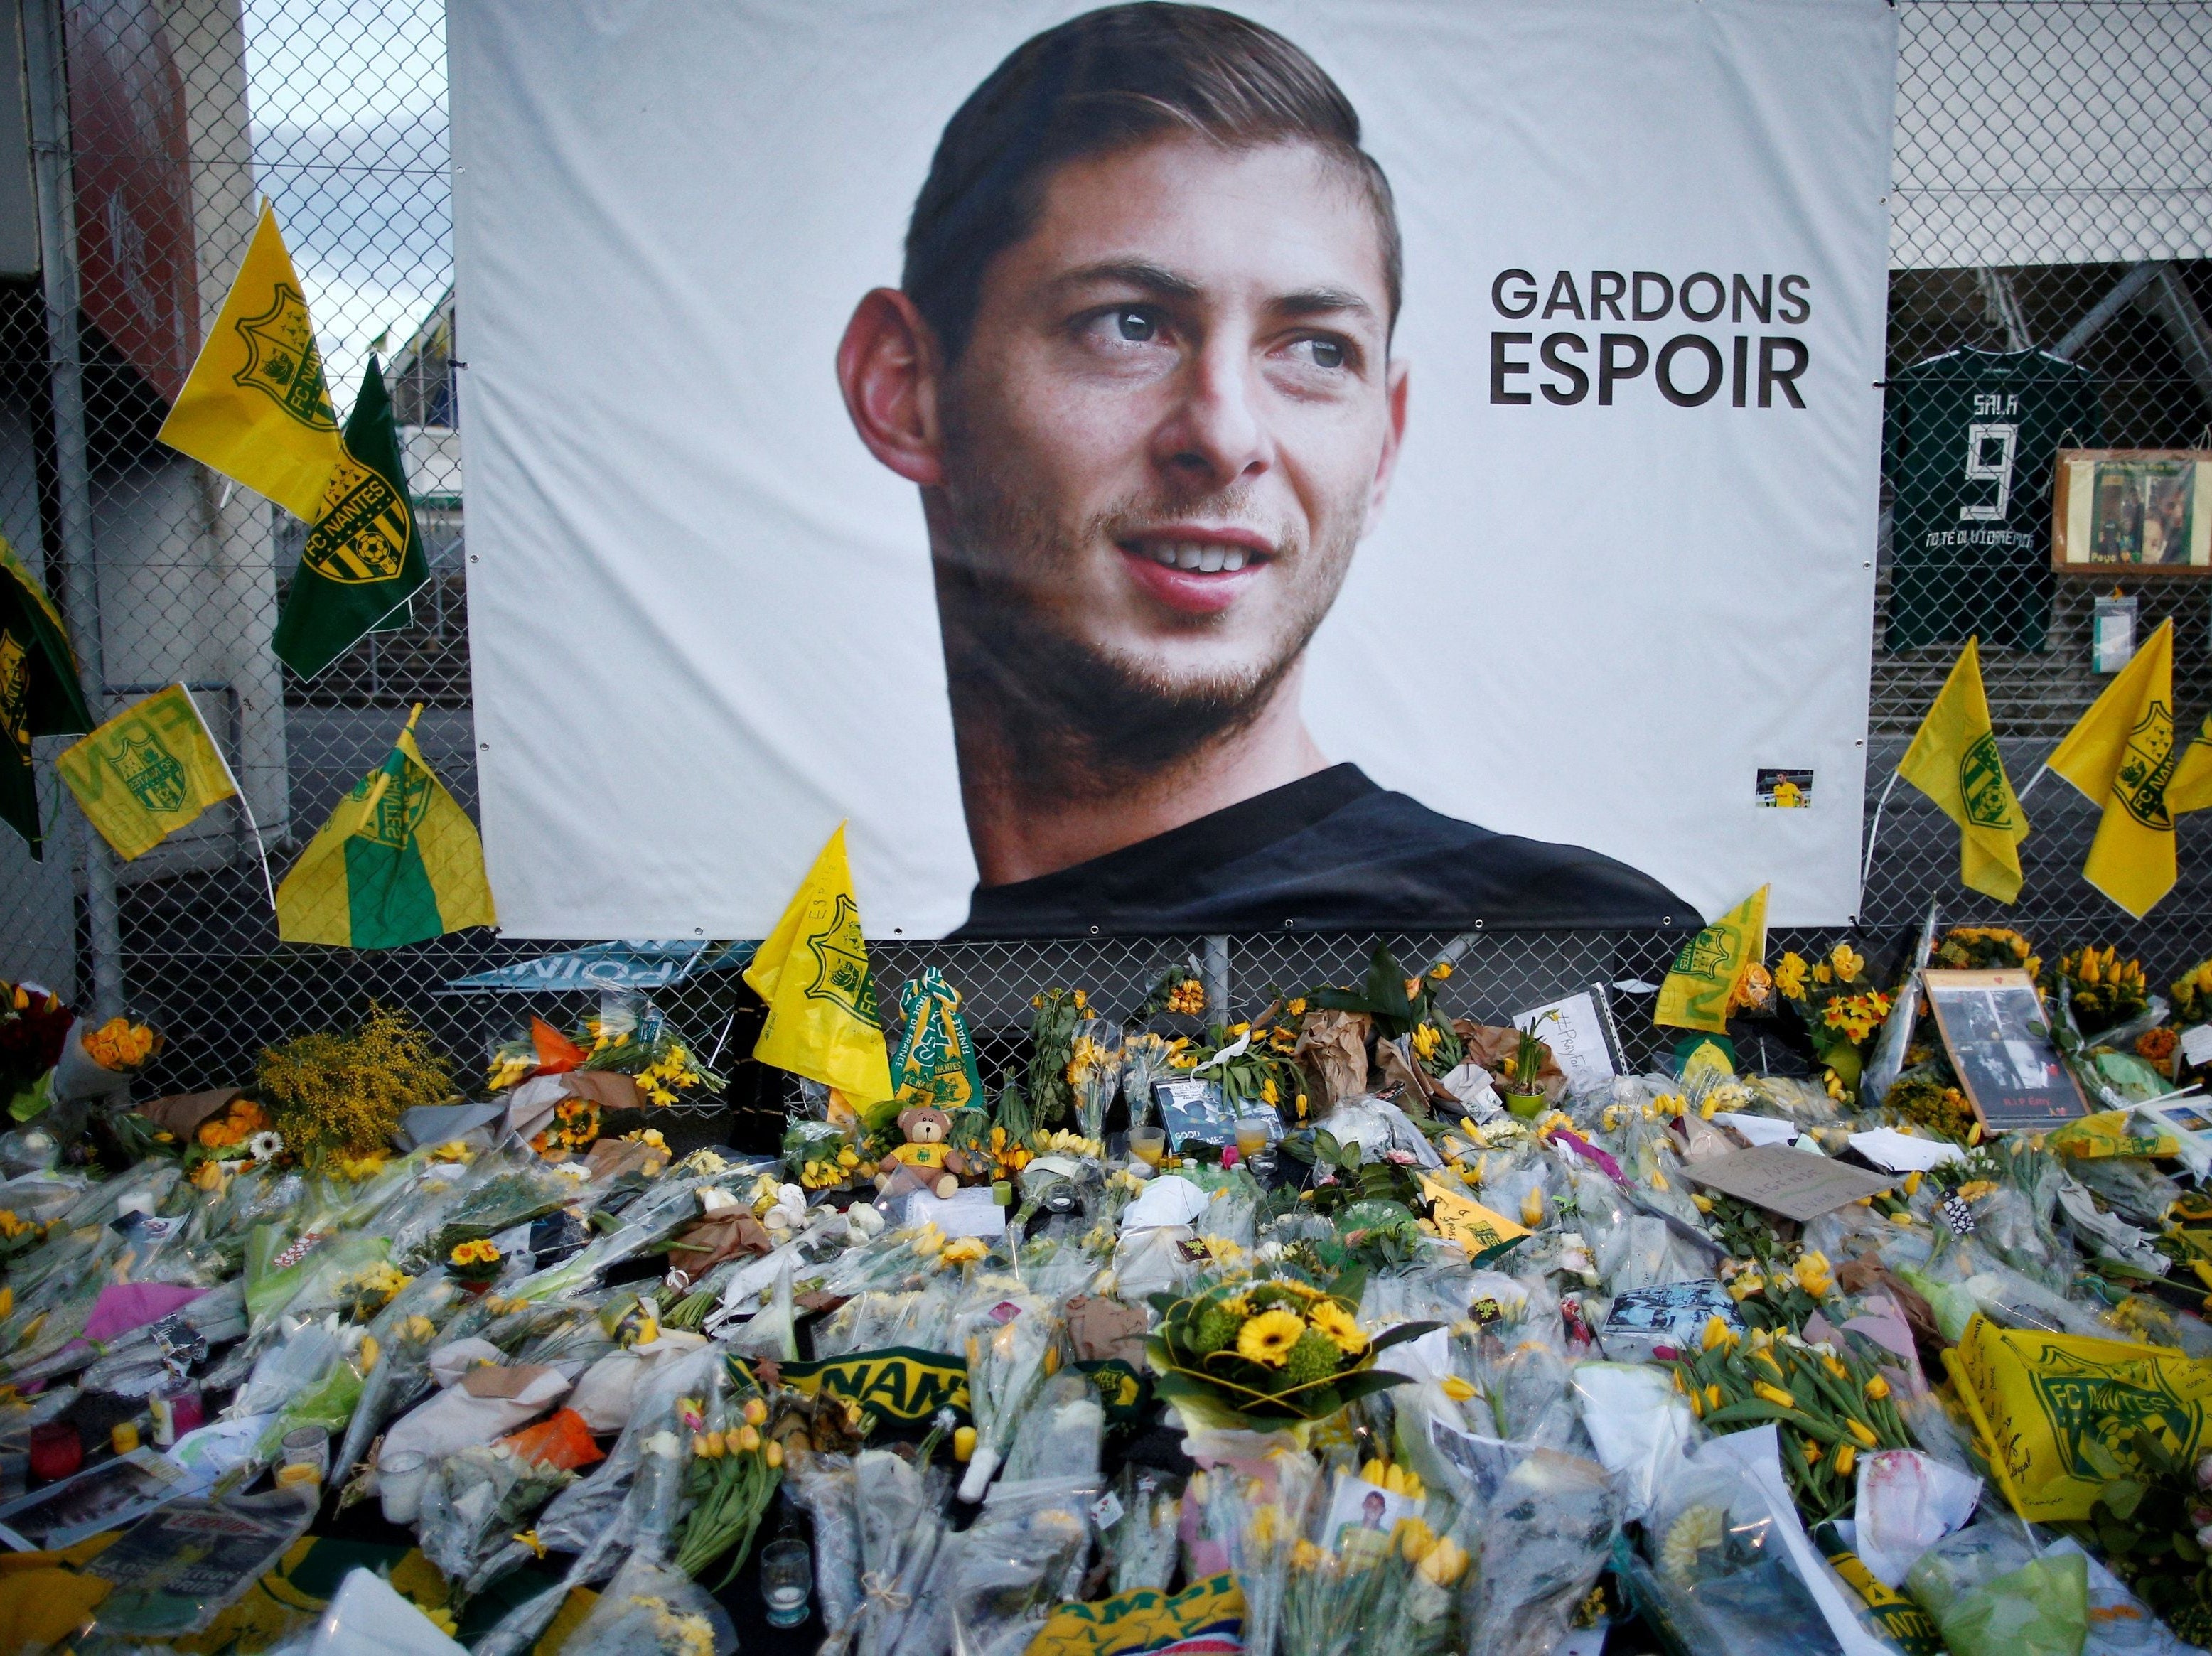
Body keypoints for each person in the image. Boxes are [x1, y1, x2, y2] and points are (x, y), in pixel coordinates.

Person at [836, 3, 1694, 937]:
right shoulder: (821, 1032)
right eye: (1128, 323)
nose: (1227, 434)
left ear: (1386, 444)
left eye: (1318, 351)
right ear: (905, 389)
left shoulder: (1572, 956)